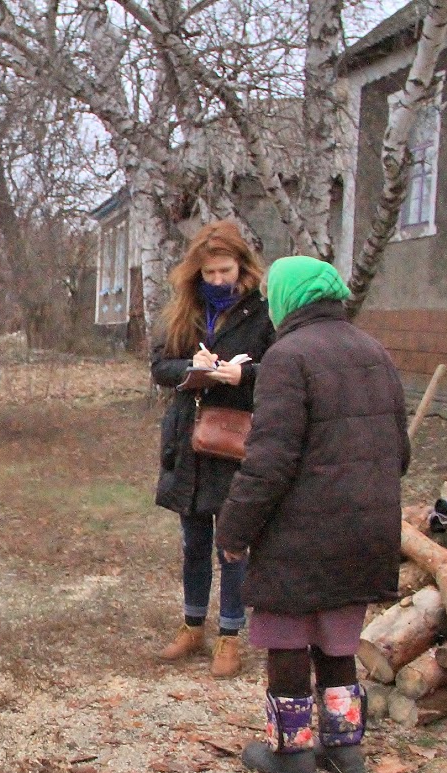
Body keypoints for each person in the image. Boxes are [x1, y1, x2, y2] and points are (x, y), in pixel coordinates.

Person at [216, 256, 409, 773]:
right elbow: (402, 451)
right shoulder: (374, 351)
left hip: (300, 532)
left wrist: (234, 531)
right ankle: (346, 750)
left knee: (288, 637)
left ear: (286, 300)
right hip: (366, 528)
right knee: (339, 639)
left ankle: (292, 753)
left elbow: (268, 461)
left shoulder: (287, 357)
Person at [150, 220, 275, 679]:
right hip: (190, 438)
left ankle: (230, 634)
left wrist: (245, 375)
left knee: (233, 544)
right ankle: (191, 624)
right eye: (210, 273)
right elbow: (160, 366)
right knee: (194, 540)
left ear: (242, 266)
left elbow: (280, 368)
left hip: (237, 438)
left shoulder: (263, 313)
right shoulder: (184, 310)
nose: (218, 281)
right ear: (195, 273)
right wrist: (191, 367)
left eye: (225, 271)